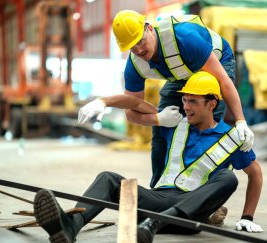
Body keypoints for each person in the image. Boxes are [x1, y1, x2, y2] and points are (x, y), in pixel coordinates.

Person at [34, 71, 263, 243]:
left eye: (193, 101)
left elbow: (255, 174)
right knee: (108, 179)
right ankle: (70, 225)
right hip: (158, 200)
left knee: (228, 177)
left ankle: (154, 224)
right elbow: (133, 102)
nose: (186, 106)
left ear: (212, 104)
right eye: (184, 100)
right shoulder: (175, 122)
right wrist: (103, 102)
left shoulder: (233, 138)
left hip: (189, 214)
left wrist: (247, 216)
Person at [78, 10, 255, 189]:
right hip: (182, 73)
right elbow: (133, 109)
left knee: (205, 128)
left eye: (140, 41)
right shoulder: (135, 64)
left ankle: (206, 199)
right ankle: (160, 189)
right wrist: (158, 119)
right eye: (132, 46)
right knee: (162, 132)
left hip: (216, 62)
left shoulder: (185, 39)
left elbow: (223, 80)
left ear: (149, 29)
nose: (139, 50)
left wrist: (240, 120)